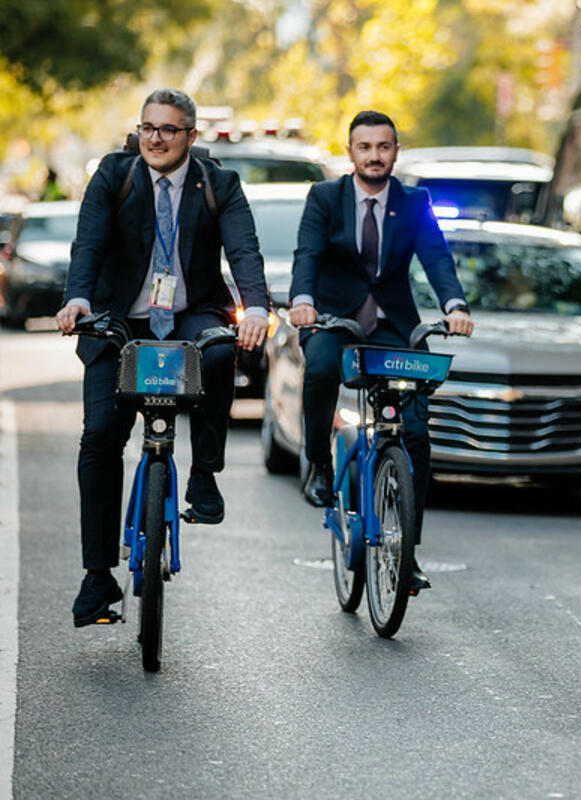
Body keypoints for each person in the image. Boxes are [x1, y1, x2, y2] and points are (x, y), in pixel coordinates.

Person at [57, 88, 271, 627]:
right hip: (117, 317)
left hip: (190, 312)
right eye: (148, 128)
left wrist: (256, 308)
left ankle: (204, 474)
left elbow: (244, 249)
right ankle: (97, 577)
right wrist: (77, 298)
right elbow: (88, 244)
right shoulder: (114, 175)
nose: (156, 138)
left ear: (191, 136)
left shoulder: (219, 183)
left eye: (169, 129)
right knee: (100, 437)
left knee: (219, 350)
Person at [289, 110, 473, 592]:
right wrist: (303, 300)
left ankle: (407, 552)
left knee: (416, 434)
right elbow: (308, 253)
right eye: (365, 147)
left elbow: (436, 256)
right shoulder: (325, 197)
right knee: (321, 368)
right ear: (350, 152)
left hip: (393, 325)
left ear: (396, 151)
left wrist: (454, 305)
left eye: (383, 147)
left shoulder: (414, 202)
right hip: (334, 318)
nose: (375, 155)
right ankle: (319, 464)